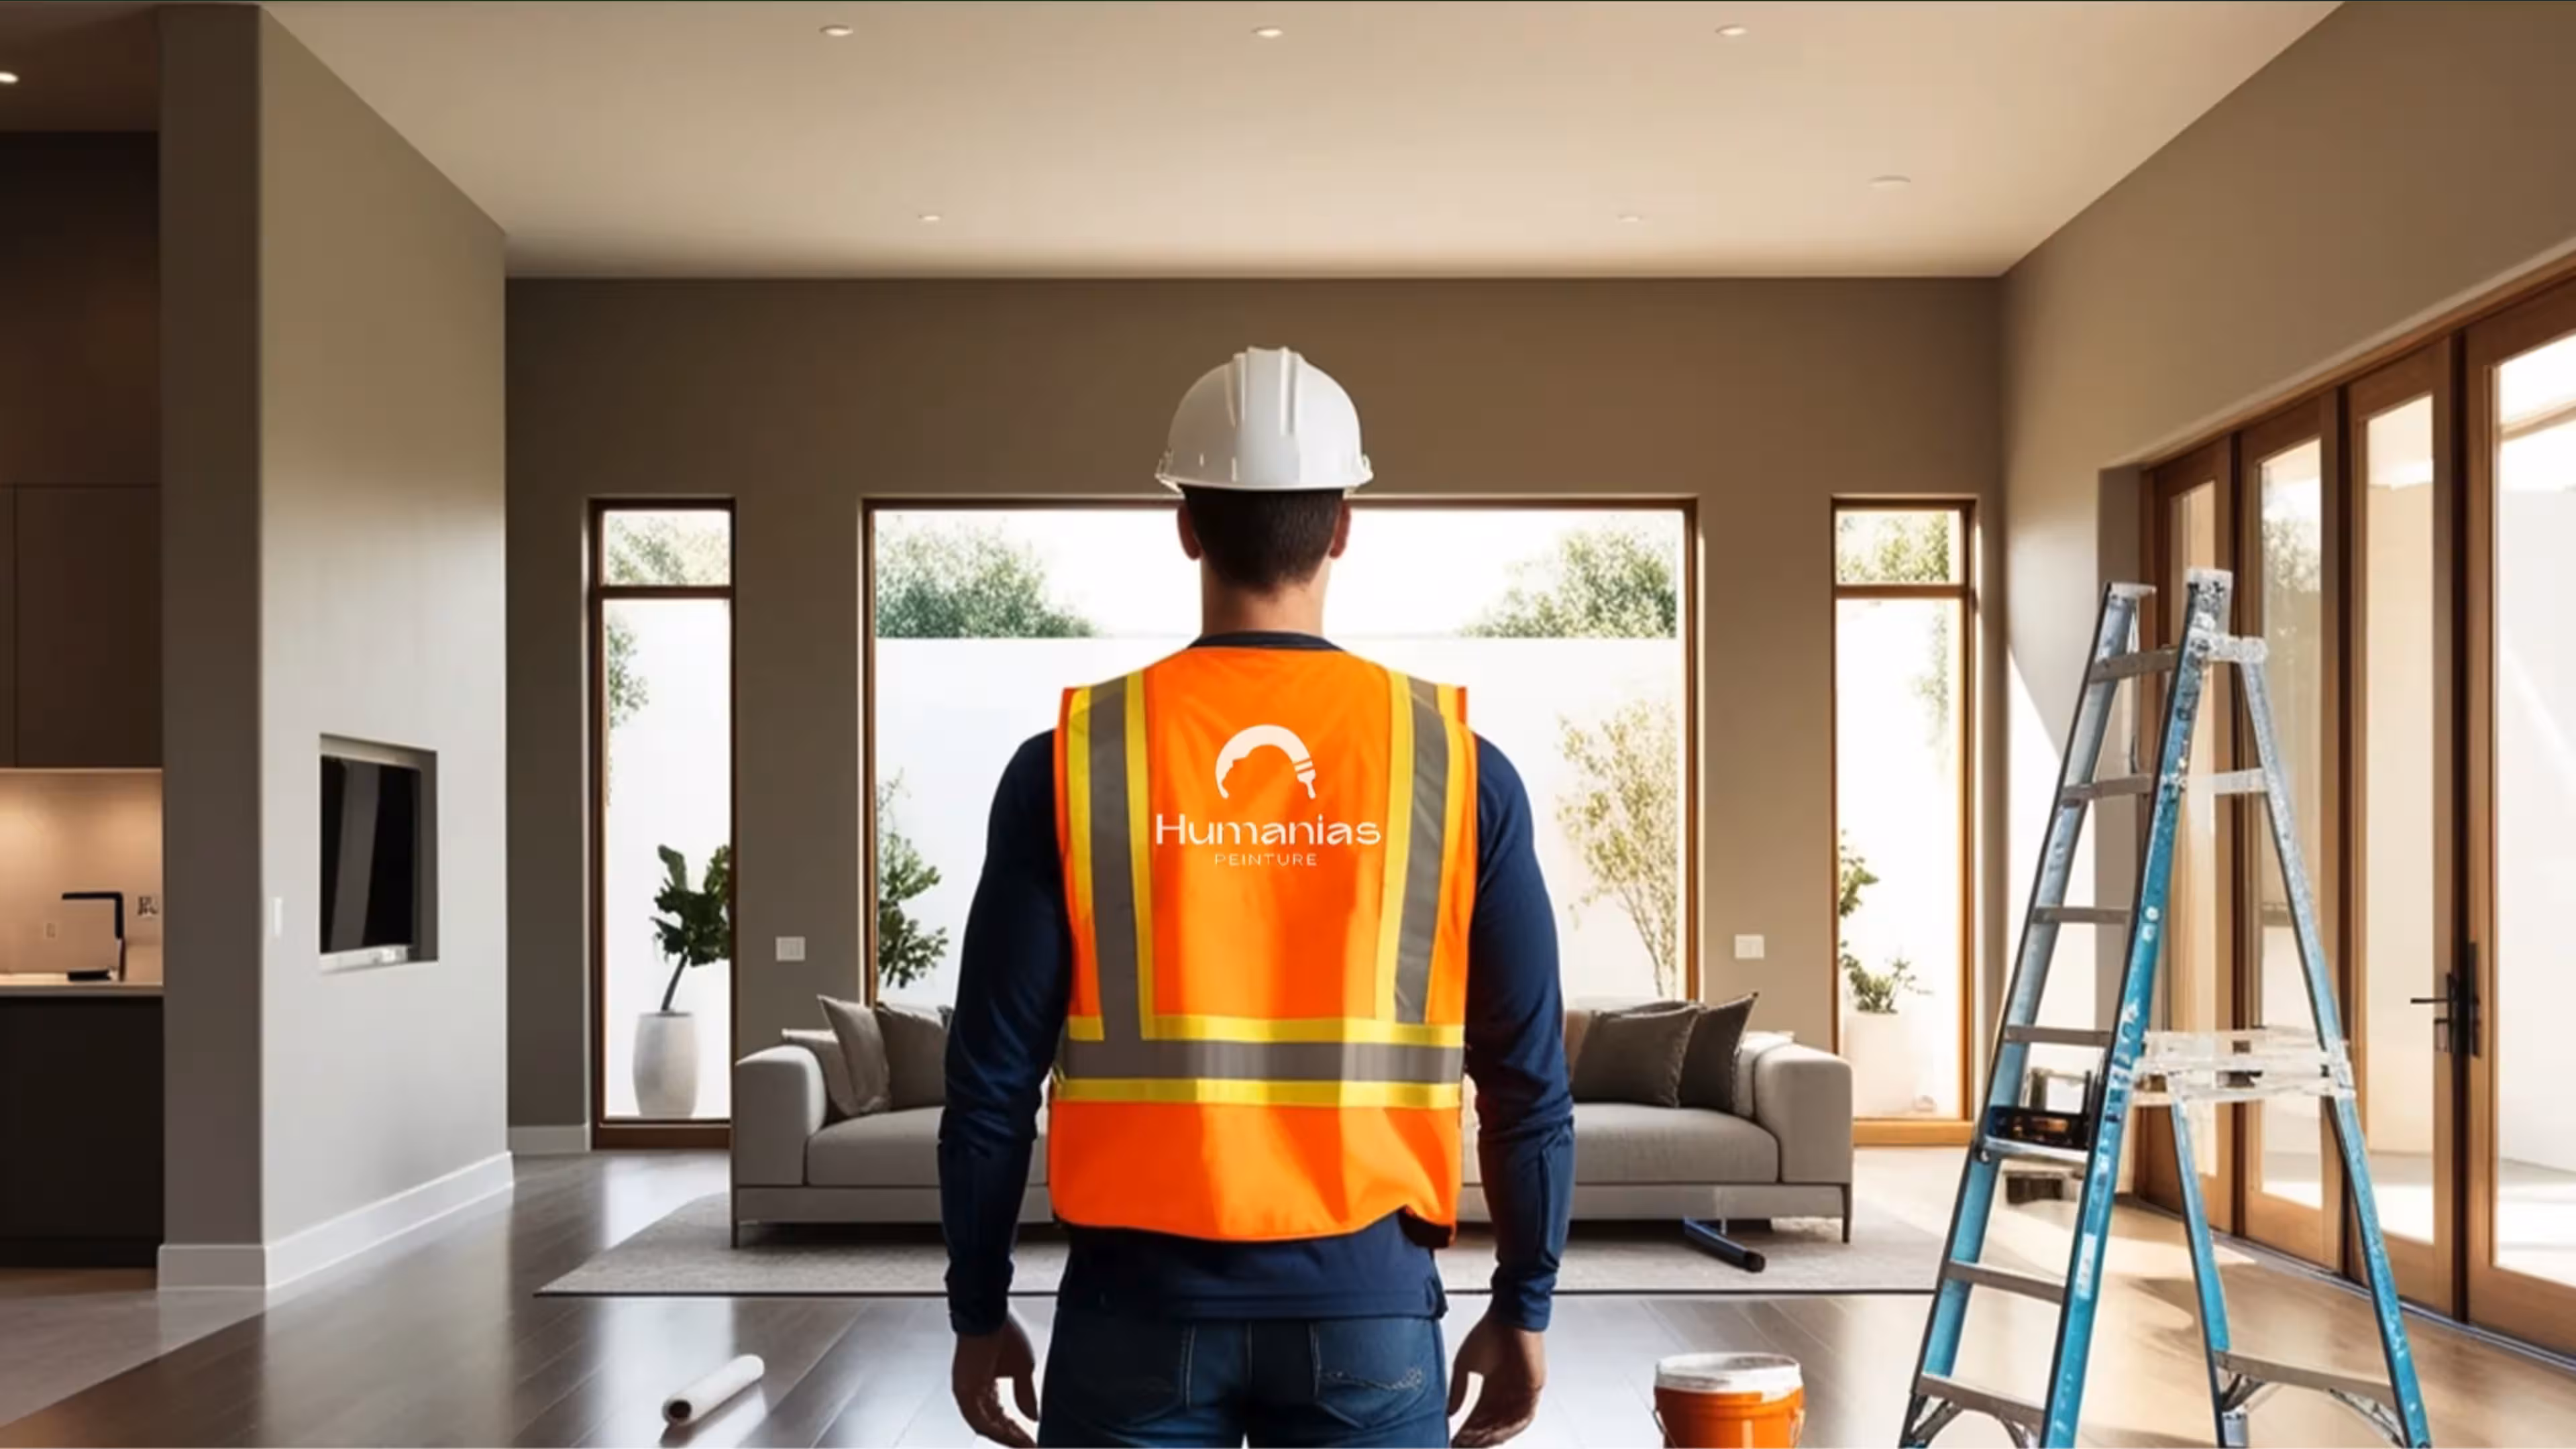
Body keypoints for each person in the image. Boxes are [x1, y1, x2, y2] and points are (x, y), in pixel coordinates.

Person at [940, 347, 1574, 1448]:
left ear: (1185, 522)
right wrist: (1522, 1308)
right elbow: (1527, 1084)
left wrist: (978, 1308)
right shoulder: (1458, 769)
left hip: (1130, 1311)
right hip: (1369, 1313)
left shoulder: (1074, 765)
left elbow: (990, 1087)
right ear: (1342, 526)